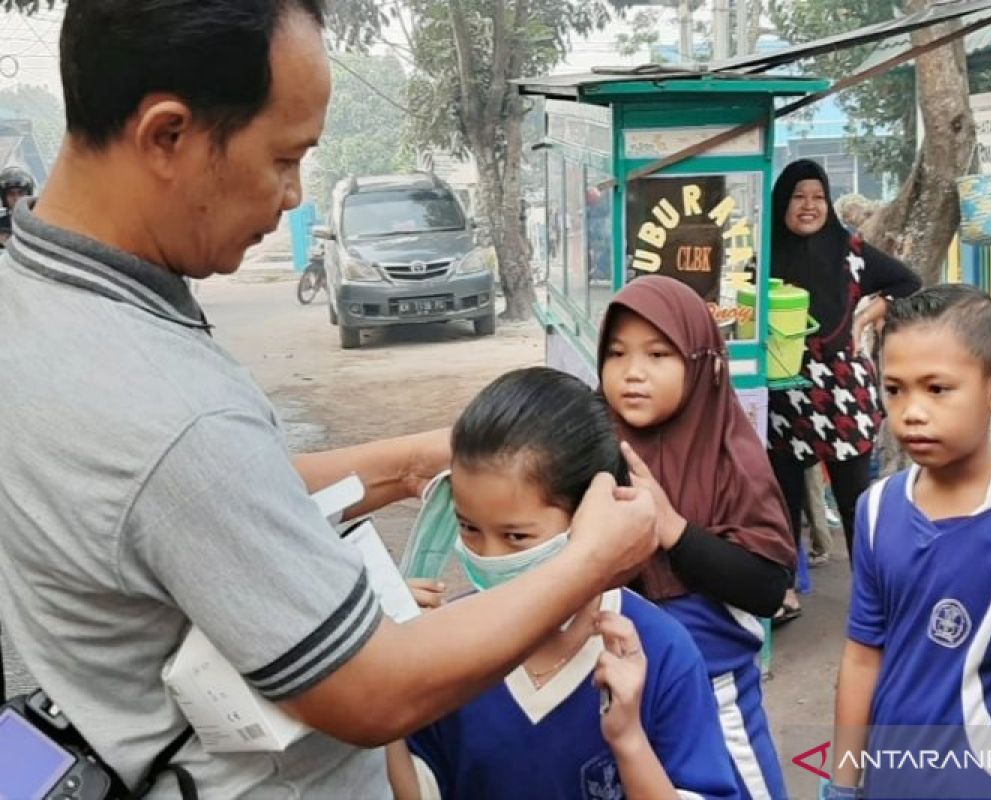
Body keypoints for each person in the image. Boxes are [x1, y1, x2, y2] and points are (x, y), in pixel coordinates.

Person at [0, 2, 656, 797]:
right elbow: (377, 689)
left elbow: (195, 501)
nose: (293, 195)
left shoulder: (34, 302)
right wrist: (591, 560)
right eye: (284, 157)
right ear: (167, 134)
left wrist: (404, 460)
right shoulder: (167, 406)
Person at [387, 367, 740, 800]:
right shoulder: (444, 648)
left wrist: (628, 740)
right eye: (469, 528)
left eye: (517, 536)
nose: (490, 557)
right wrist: (386, 675)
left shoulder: (660, 651)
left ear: (594, 517)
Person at [830, 285, 991, 800]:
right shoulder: (876, 512)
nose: (912, 412)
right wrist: (843, 782)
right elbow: (862, 656)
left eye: (937, 389)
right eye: (894, 389)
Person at [598, 275, 796, 800]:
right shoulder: (590, 450)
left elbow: (768, 587)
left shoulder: (733, 457)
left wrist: (672, 530)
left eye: (658, 354)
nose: (632, 373)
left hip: (715, 694)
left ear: (702, 363)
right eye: (616, 354)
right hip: (609, 694)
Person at [766, 159, 921, 586]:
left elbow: (909, 282)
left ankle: (870, 589)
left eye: (818, 197)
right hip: (784, 393)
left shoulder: (850, 250)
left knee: (856, 501)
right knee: (784, 499)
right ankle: (785, 589)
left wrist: (866, 316)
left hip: (843, 395)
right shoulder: (761, 256)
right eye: (798, 197)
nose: (808, 206)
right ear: (782, 202)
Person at [0, 165, 35, 246]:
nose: (16, 198)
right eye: (11, 194)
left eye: (21, 193)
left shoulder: (38, 222)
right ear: (4, 197)